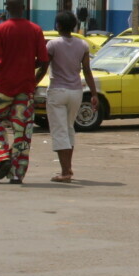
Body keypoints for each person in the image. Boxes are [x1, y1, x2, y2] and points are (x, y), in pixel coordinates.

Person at [0, 0, 49, 184]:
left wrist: (3, 69)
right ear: (24, 7)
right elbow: (43, 62)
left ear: (7, 8)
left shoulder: (0, 29)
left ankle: (1, 156)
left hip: (3, 87)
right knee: (23, 131)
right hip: (25, 89)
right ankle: (17, 173)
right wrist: (32, 79)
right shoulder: (35, 30)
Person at [45, 11, 101, 183]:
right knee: (69, 128)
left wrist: (31, 85)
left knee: (59, 131)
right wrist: (94, 94)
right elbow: (87, 70)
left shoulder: (52, 44)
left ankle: (65, 172)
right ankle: (68, 167)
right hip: (76, 91)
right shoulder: (82, 45)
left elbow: (43, 67)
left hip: (57, 91)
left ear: (58, 25)